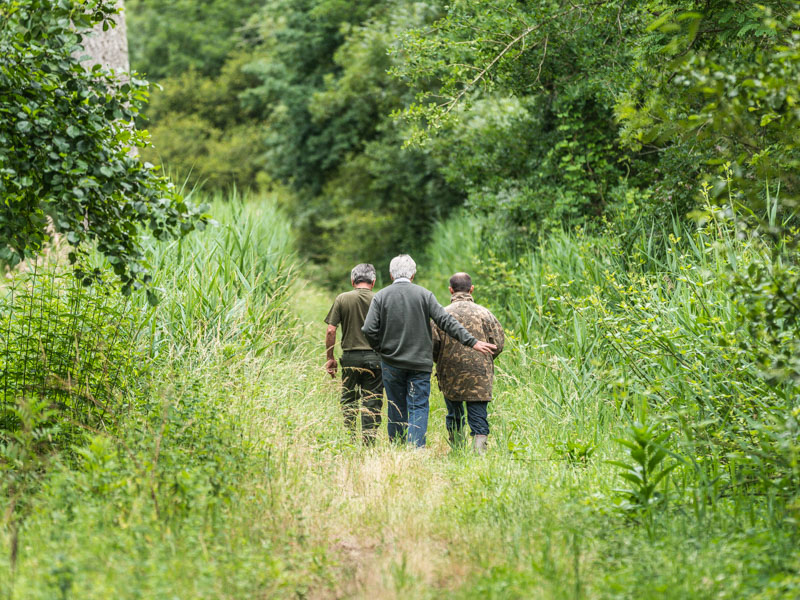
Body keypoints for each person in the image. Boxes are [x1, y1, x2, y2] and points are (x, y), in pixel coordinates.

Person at [361, 255, 496, 447]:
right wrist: (472, 341)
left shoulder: (381, 296)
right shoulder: (425, 295)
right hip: (419, 364)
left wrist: (382, 349)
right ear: (413, 275)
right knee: (418, 406)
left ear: (391, 275)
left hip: (391, 363)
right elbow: (446, 321)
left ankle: (397, 447)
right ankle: (416, 448)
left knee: (395, 406)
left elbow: (368, 329)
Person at [432, 272, 504, 455]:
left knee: (454, 413)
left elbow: (432, 345)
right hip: (479, 373)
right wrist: (485, 360)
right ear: (471, 289)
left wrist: (441, 361)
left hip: (450, 372)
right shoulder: (485, 314)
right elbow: (498, 343)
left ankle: (457, 449)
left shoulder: (442, 314)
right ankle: (480, 452)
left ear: (451, 290)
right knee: (478, 414)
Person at [325, 263, 383, 444]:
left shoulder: (342, 299)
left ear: (353, 281)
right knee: (372, 399)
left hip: (350, 357)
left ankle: (349, 438)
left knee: (349, 398)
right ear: (373, 282)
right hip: (375, 358)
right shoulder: (379, 299)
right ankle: (368, 440)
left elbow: (331, 330)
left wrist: (330, 358)